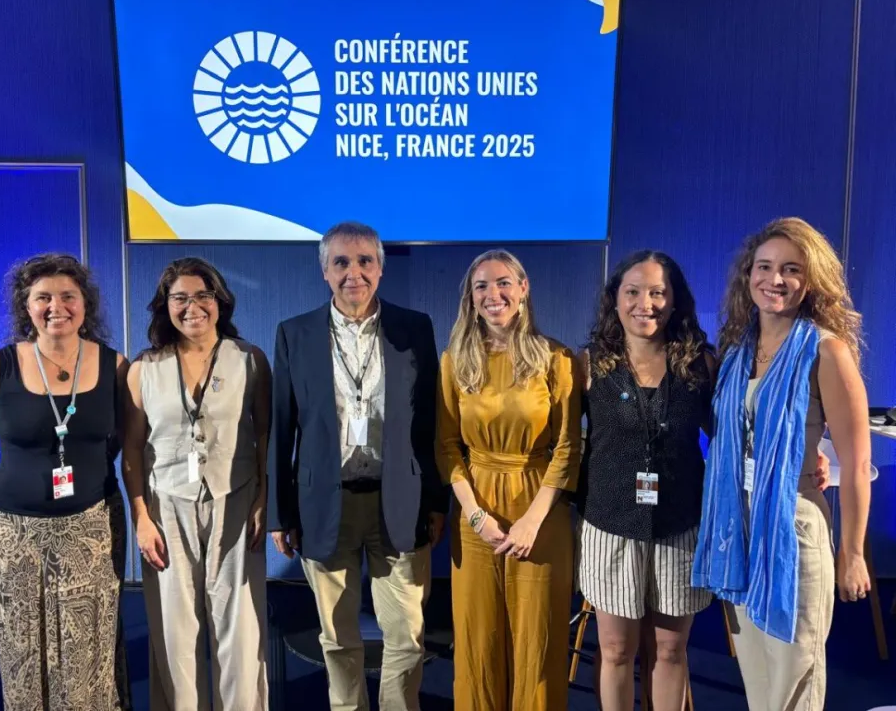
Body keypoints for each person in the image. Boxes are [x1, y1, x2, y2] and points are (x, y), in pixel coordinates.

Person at [693, 217, 872, 711]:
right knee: (758, 682)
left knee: (793, 684)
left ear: (809, 281)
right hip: (739, 531)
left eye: (791, 270)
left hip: (794, 531)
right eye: (765, 267)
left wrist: (852, 553)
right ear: (747, 275)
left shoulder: (826, 351)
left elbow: (857, 465)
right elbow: (736, 432)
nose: (776, 279)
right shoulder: (736, 353)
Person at [268, 221, 446, 711]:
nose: (354, 272)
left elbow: (429, 423)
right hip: (324, 502)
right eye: (341, 262)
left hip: (400, 502)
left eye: (365, 261)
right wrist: (281, 513)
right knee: (338, 638)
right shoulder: (295, 333)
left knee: (407, 637)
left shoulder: (416, 327)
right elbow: (282, 426)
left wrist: (435, 500)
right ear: (325, 271)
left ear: (381, 270)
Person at [0, 253, 130, 710]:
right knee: (23, 656)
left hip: (89, 530)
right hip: (12, 535)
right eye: (43, 297)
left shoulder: (116, 366)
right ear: (25, 307)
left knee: (88, 655)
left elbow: (125, 442)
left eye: (68, 296)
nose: (57, 306)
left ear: (85, 303)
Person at [436, 249, 582, 711]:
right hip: (476, 510)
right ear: (470, 297)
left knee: (537, 639)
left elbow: (567, 447)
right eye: (481, 286)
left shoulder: (557, 359)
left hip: (541, 511)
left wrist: (532, 521)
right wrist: (476, 515)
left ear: (523, 289)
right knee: (478, 641)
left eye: (503, 283)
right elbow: (446, 447)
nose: (492, 294)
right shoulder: (455, 360)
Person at [122, 257, 270, 710]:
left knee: (240, 632)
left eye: (202, 296)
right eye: (180, 298)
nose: (192, 307)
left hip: (236, 500)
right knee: (174, 632)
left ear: (219, 301)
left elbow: (264, 434)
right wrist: (141, 517)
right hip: (167, 508)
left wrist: (264, 498)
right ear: (164, 306)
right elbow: (131, 450)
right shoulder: (142, 368)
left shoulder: (249, 359)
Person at [575, 251, 715, 711]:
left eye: (658, 292)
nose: (645, 303)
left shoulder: (701, 365)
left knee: (671, 650)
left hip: (680, 525)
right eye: (633, 292)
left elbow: (734, 436)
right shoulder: (590, 365)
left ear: (675, 301)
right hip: (611, 524)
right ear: (614, 300)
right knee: (616, 650)